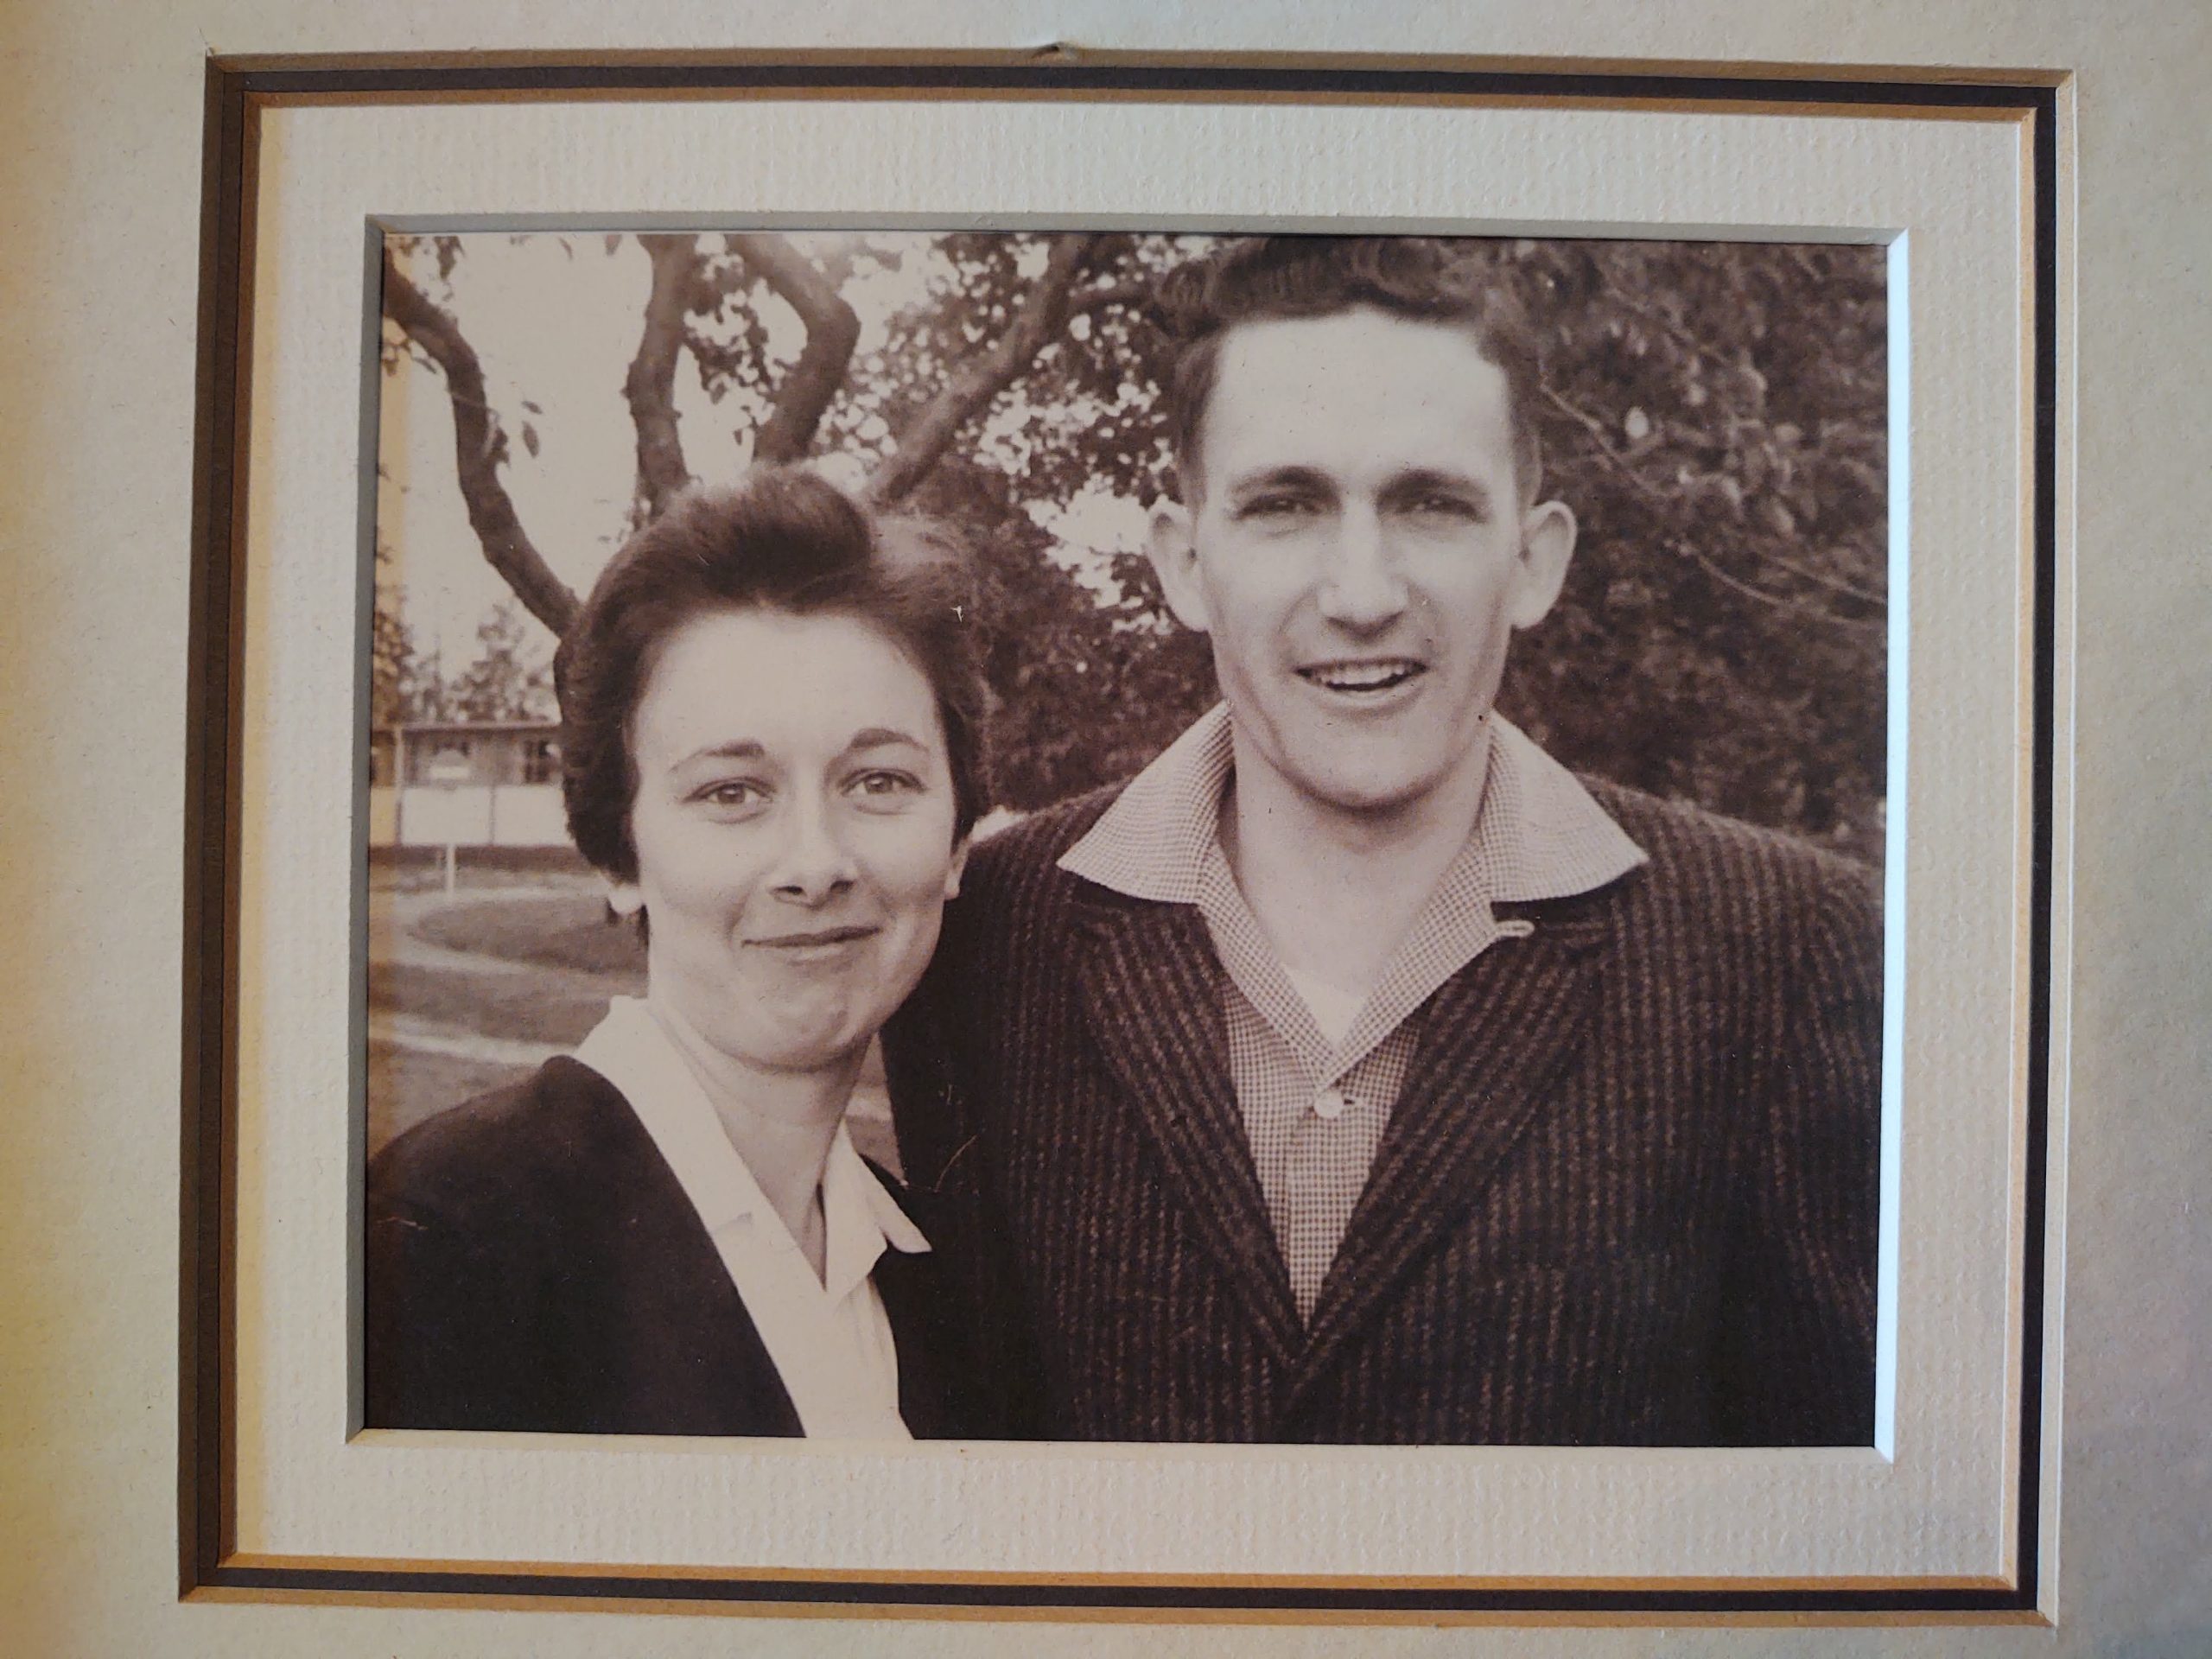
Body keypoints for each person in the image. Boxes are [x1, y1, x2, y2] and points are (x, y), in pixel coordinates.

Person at [886, 236, 1882, 1446]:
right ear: (1185, 562)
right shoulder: (983, 942)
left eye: (1430, 503)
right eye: (1286, 505)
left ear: (1534, 557)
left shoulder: (1791, 953)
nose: (1361, 591)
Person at [365, 468, 993, 1439]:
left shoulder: (941, 1284)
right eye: (731, 793)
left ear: (956, 840)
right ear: (618, 851)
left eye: (878, 780)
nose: (816, 863)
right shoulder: (449, 1244)